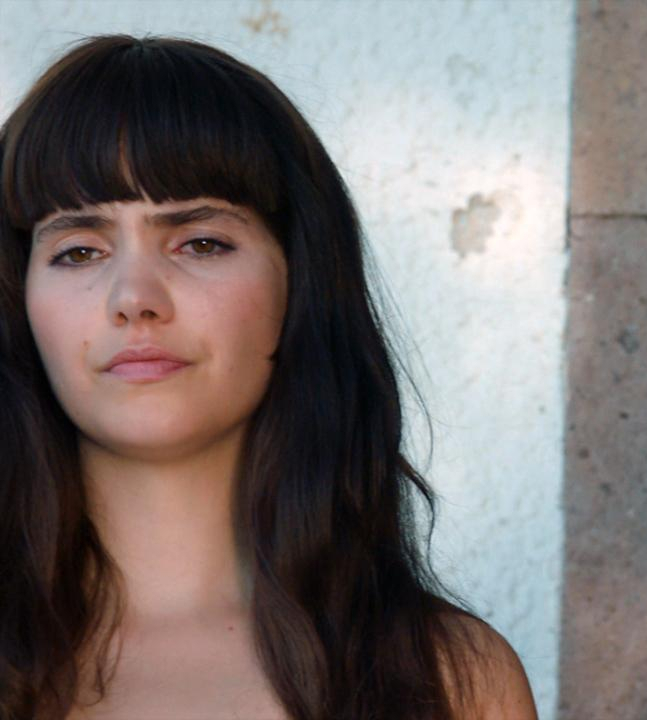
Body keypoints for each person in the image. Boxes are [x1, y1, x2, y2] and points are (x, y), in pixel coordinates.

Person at [0, 35, 536, 720]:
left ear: (298, 282)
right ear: (18, 297)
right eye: (79, 251)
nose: (133, 297)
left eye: (201, 242)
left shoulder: (450, 680)